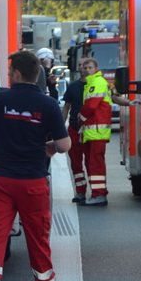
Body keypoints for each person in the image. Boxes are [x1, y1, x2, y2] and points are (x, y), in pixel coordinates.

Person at [0, 50, 71, 281]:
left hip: (1, 180)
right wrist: (46, 146)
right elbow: (64, 145)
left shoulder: (0, 100)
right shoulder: (48, 104)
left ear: (15, 73)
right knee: (38, 240)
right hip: (33, 182)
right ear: (36, 74)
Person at [78, 57, 113, 206]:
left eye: (90, 67)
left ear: (96, 68)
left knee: (95, 163)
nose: (87, 70)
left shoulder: (97, 82)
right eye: (85, 68)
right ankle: (98, 193)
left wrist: (81, 117)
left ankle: (99, 194)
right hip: (93, 131)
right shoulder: (91, 83)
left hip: (97, 131)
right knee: (93, 163)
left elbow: (91, 106)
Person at [62, 58, 90, 203]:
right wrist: (60, 127)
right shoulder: (73, 87)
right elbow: (66, 107)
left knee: (92, 163)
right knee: (76, 162)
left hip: (91, 131)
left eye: (86, 65)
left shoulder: (97, 85)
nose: (83, 68)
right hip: (75, 128)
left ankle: (97, 192)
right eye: (80, 65)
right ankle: (80, 192)